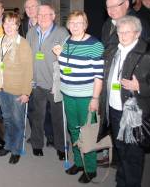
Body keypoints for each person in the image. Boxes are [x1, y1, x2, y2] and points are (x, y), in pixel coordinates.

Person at [97, 16, 150, 187]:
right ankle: (122, 182)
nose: (122, 35)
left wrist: (140, 86)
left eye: (127, 32)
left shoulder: (149, 54)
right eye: (119, 32)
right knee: (121, 150)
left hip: (133, 113)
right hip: (114, 110)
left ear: (137, 33)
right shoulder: (113, 50)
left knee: (133, 156)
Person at [52, 10, 104, 183]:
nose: (75, 26)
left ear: (85, 24)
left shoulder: (94, 44)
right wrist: (60, 56)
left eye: (79, 23)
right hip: (68, 94)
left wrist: (95, 98)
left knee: (87, 132)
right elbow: (67, 69)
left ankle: (90, 168)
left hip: (86, 96)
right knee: (73, 129)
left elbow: (98, 75)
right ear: (68, 25)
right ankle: (79, 162)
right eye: (72, 23)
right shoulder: (67, 41)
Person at [26, 4, 69, 159]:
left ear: (53, 16)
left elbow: (67, 59)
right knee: (37, 116)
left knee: (58, 118)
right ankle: (37, 144)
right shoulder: (31, 32)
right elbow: (27, 57)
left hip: (54, 84)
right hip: (36, 84)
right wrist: (28, 78)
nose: (43, 17)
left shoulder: (61, 32)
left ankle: (61, 147)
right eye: (40, 15)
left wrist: (60, 83)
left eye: (46, 14)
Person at [0, 12, 33, 164]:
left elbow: (28, 70)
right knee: (7, 118)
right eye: (6, 23)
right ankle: (8, 145)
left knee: (17, 121)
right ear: (3, 25)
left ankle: (16, 150)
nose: (9, 26)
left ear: (17, 26)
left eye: (12, 23)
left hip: (17, 90)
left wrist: (26, 92)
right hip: (1, 88)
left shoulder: (23, 43)